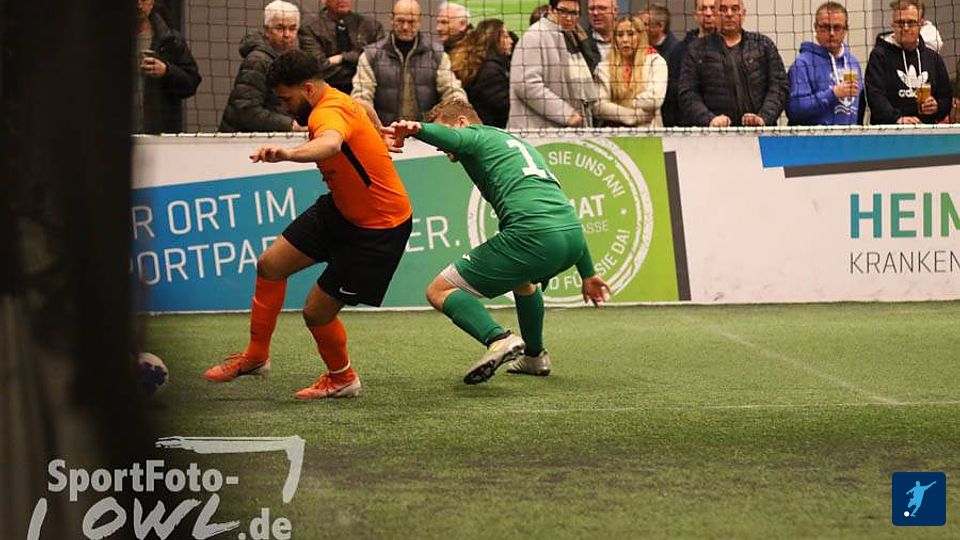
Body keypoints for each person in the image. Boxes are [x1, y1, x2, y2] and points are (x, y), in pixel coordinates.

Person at [204, 49, 413, 400]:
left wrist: (288, 154)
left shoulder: (325, 113)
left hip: (378, 228)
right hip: (340, 209)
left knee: (316, 312)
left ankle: (343, 379)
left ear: (308, 89)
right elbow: (362, 105)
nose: (285, 107)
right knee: (270, 265)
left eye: (287, 99)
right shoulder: (335, 97)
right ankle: (256, 357)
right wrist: (375, 128)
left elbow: (330, 143)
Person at [385, 100, 610, 384]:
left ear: (463, 122)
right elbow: (559, 215)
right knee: (523, 281)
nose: (441, 147)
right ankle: (535, 356)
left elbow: (454, 138)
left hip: (533, 236)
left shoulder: (475, 135)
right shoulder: (512, 144)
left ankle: (498, 339)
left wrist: (416, 129)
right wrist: (587, 272)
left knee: (439, 290)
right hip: (572, 237)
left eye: (443, 132)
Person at [351, 0, 467, 125]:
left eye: (411, 22)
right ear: (391, 19)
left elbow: (452, 91)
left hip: (426, 132)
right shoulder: (371, 55)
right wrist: (373, 128)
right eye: (400, 21)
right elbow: (361, 97)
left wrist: (458, 116)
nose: (405, 27)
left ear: (420, 21)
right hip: (385, 131)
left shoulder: (437, 55)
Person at [678, 0, 788, 127]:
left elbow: (779, 86)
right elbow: (687, 93)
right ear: (715, 14)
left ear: (743, 13)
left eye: (734, 9)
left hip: (760, 132)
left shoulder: (763, 45)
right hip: (716, 134)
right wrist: (710, 119)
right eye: (723, 9)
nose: (729, 14)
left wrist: (764, 118)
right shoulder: (697, 50)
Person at [508, 0, 597, 129]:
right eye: (563, 11)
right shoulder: (534, 36)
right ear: (550, 10)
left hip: (562, 131)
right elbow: (525, 85)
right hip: (536, 131)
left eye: (574, 13)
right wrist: (566, 113)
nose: (569, 18)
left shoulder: (573, 37)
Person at [220, 0, 305, 132]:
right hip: (241, 139)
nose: (287, 35)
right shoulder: (257, 61)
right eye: (280, 28)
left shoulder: (292, 59)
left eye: (292, 28)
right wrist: (290, 125)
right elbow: (246, 110)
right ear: (267, 30)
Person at [864, 0, 951, 125]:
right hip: (890, 132)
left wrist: (937, 107)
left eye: (911, 22)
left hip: (925, 131)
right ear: (893, 25)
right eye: (900, 23)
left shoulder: (933, 58)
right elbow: (875, 96)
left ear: (921, 24)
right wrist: (897, 119)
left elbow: (946, 98)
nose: (905, 28)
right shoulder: (879, 56)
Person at [786, 2, 863, 126]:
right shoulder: (802, 64)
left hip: (848, 136)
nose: (831, 33)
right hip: (813, 136)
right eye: (825, 27)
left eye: (837, 27)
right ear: (816, 28)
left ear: (845, 30)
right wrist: (833, 94)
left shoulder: (853, 63)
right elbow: (795, 110)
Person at [134, 0, 201, 134]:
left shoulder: (169, 39)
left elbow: (191, 83)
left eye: (144, 0)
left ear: (152, 2)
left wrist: (167, 71)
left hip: (158, 134)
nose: (139, 5)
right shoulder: (107, 41)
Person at [594, 15, 668, 127]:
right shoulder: (604, 67)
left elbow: (654, 99)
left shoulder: (656, 62)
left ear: (640, 37)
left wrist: (620, 105)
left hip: (648, 133)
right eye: (620, 35)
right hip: (613, 133)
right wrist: (632, 115)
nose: (625, 40)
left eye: (630, 34)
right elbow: (599, 106)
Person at [298, 0, 384, 95]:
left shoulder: (371, 26)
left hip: (368, 93)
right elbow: (318, 69)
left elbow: (381, 63)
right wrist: (362, 70)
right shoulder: (309, 28)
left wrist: (342, 58)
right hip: (326, 95)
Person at [449, 19, 514, 128]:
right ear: (495, 40)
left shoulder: (482, 64)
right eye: (506, 37)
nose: (511, 41)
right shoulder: (490, 70)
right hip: (489, 129)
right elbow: (503, 107)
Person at [663, 0, 716, 126]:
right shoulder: (679, 51)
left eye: (712, 8)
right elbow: (672, 94)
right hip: (688, 126)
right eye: (703, 9)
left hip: (724, 123)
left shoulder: (732, 49)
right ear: (695, 14)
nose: (708, 13)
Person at [582, 0, 618, 70]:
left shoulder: (629, 39)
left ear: (615, 11)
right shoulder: (580, 42)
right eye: (591, 9)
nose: (595, 13)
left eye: (602, 8)